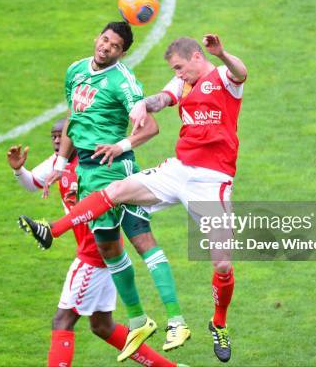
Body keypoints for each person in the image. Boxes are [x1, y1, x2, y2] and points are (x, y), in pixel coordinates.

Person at [20, 34, 247, 363]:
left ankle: (219, 323)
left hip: (212, 181)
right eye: (174, 70)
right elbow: (162, 99)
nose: (178, 74)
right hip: (180, 169)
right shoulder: (181, 83)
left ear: (198, 57)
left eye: (180, 67)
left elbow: (241, 72)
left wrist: (223, 53)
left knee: (223, 263)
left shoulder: (223, 78)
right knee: (115, 192)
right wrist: (142, 104)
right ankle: (52, 230)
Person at [7, 119, 185, 367]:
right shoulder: (58, 164)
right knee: (102, 326)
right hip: (103, 253)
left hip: (94, 252)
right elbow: (32, 183)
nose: (58, 140)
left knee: (62, 321)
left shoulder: (93, 161)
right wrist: (18, 170)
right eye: (54, 137)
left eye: (62, 135)